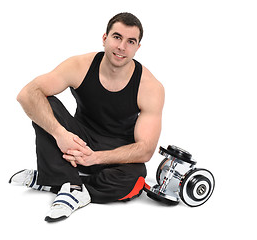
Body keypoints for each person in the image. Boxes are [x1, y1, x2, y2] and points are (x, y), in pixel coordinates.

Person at [9, 12, 164, 222]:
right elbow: (27, 94)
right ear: (105, 38)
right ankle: (71, 186)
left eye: (130, 41)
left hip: (114, 152)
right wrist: (60, 134)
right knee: (46, 103)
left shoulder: (150, 87)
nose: (121, 47)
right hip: (76, 141)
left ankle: (55, 180)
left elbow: (145, 149)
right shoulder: (80, 65)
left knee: (136, 176)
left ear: (138, 47)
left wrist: (96, 158)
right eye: (117, 37)